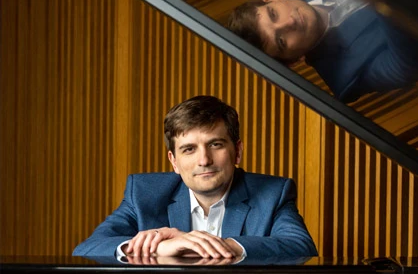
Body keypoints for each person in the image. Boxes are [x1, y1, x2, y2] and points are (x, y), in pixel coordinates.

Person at [73, 95, 317, 261]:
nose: (204, 160)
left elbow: (301, 248)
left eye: (216, 144)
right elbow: (86, 250)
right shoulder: (144, 193)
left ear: (237, 151)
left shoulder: (273, 193)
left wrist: (225, 246)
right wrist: (158, 248)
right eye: (189, 149)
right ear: (174, 161)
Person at [226, 0, 418, 103]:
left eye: (273, 14)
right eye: (281, 41)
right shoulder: (347, 76)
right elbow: (413, 63)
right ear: (294, 61)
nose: (289, 23)